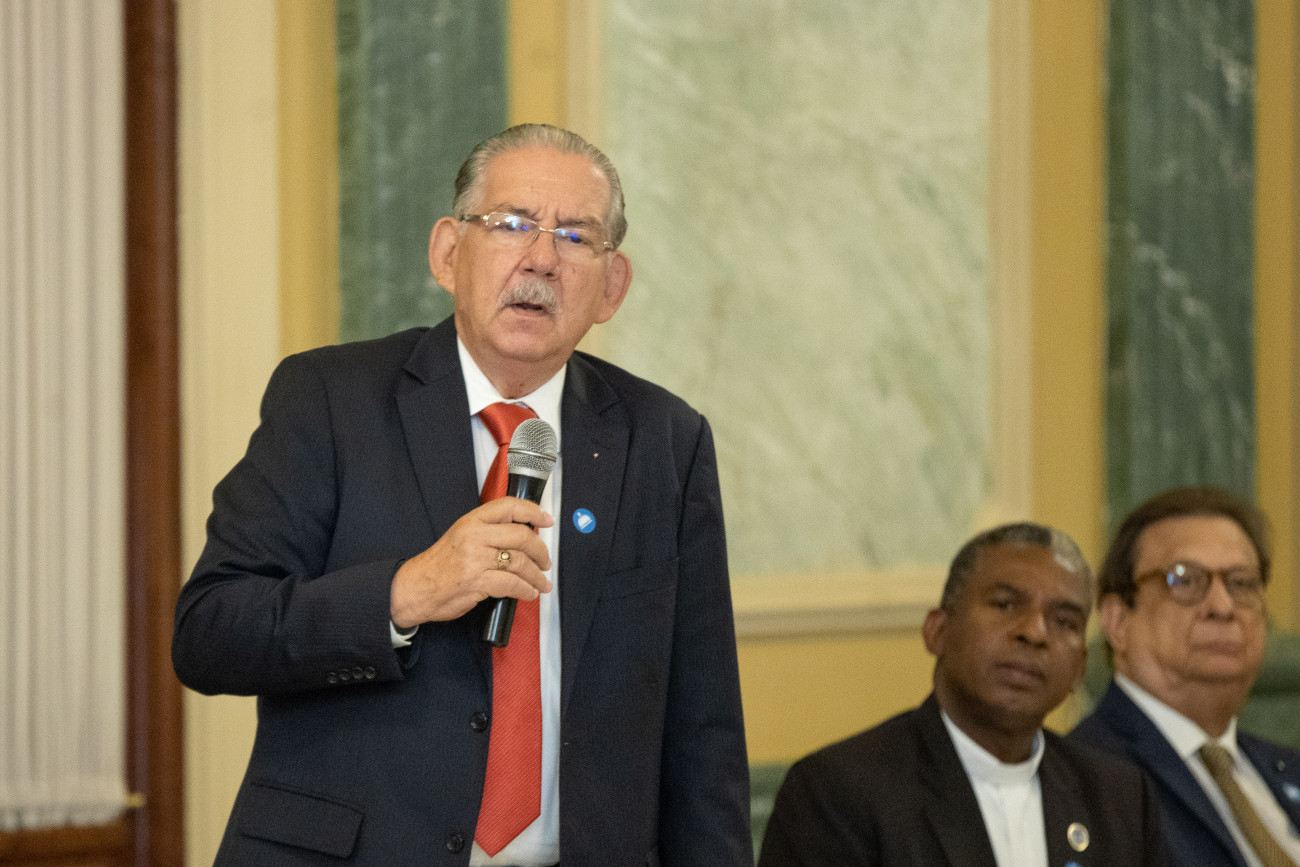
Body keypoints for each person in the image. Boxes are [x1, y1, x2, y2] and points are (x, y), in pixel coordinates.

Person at [172, 123, 751, 866]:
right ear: (448, 253)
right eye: (511, 224)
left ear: (612, 287)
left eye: (576, 237)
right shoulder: (330, 400)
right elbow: (211, 633)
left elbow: (703, 727)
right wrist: (406, 593)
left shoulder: (665, 439)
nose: (541, 258)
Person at [758, 522, 1167, 867]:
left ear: (1079, 667)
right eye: (1005, 605)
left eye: (1064, 621)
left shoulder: (1118, 797)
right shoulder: (838, 792)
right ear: (937, 631)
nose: (1035, 632)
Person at [1071, 486, 1300, 866]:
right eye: (1185, 580)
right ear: (1118, 621)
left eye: (1241, 583)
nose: (1222, 606)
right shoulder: (1082, 778)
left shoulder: (1286, 767)